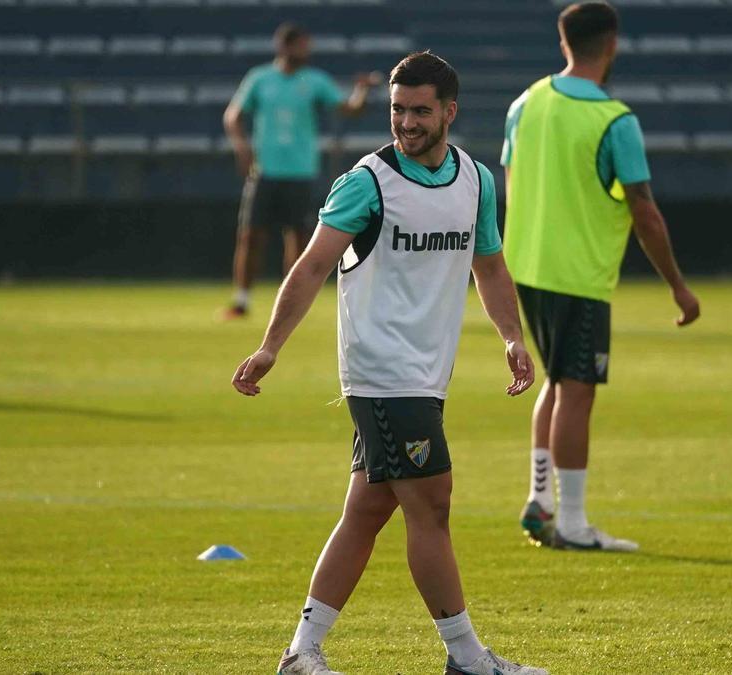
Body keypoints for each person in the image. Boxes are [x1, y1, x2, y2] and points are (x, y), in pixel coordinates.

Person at [232, 51, 549, 675]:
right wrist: (270, 345)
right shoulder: (367, 182)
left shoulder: (476, 181)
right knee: (432, 504)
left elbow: (488, 265)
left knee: (368, 510)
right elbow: (312, 267)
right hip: (382, 374)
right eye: (397, 109)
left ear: (449, 112)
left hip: (427, 376)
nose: (405, 122)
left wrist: (512, 337)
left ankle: (302, 653)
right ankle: (466, 657)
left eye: (420, 110)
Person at [502, 2, 700, 552]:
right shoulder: (616, 120)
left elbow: (512, 180)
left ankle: (540, 501)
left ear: (564, 42)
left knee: (559, 383)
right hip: (578, 273)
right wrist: (678, 286)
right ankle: (572, 523)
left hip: (529, 267)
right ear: (611, 44)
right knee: (579, 391)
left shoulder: (526, 103)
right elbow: (645, 211)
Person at [222, 22, 380, 318]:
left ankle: (291, 300)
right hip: (265, 171)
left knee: (298, 237)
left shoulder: (315, 80)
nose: (307, 50)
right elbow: (233, 116)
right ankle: (241, 299)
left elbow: (349, 109)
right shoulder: (260, 78)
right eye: (302, 45)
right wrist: (242, 148)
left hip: (300, 171)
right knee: (251, 236)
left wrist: (361, 91)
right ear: (285, 46)